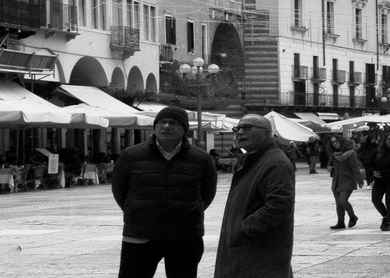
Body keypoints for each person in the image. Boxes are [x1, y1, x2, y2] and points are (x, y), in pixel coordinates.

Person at [110, 104, 219, 278]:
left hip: (185, 234)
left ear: (184, 129)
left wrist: (191, 210)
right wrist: (136, 211)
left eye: (173, 123)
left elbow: (207, 193)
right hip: (140, 232)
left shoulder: (201, 159)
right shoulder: (131, 156)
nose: (166, 126)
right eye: (161, 122)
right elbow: (119, 190)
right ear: (155, 127)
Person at [214, 115, 295, 278]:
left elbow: (279, 206)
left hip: (260, 255)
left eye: (248, 127)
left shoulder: (275, 163)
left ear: (266, 134)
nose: (240, 132)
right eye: (238, 129)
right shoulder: (255, 160)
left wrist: (243, 228)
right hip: (248, 254)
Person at [328, 134, 366, 230]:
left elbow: (355, 168)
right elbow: (330, 165)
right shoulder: (334, 154)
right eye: (333, 142)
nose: (335, 144)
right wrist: (329, 168)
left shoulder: (350, 153)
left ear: (341, 141)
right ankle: (340, 221)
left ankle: (352, 216)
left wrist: (360, 181)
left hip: (347, 180)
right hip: (336, 180)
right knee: (338, 203)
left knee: (343, 200)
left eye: (336, 141)